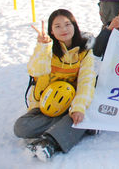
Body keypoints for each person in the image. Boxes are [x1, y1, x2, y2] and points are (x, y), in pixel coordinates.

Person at [13, 10, 96, 161]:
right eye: (57, 26)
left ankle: (50, 142)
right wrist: (42, 47)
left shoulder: (84, 52)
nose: (63, 29)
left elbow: (86, 82)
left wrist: (78, 108)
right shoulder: (47, 49)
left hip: (70, 105)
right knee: (21, 127)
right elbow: (35, 70)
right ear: (51, 31)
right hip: (45, 104)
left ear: (74, 26)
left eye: (67, 24)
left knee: (81, 115)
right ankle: (77, 126)